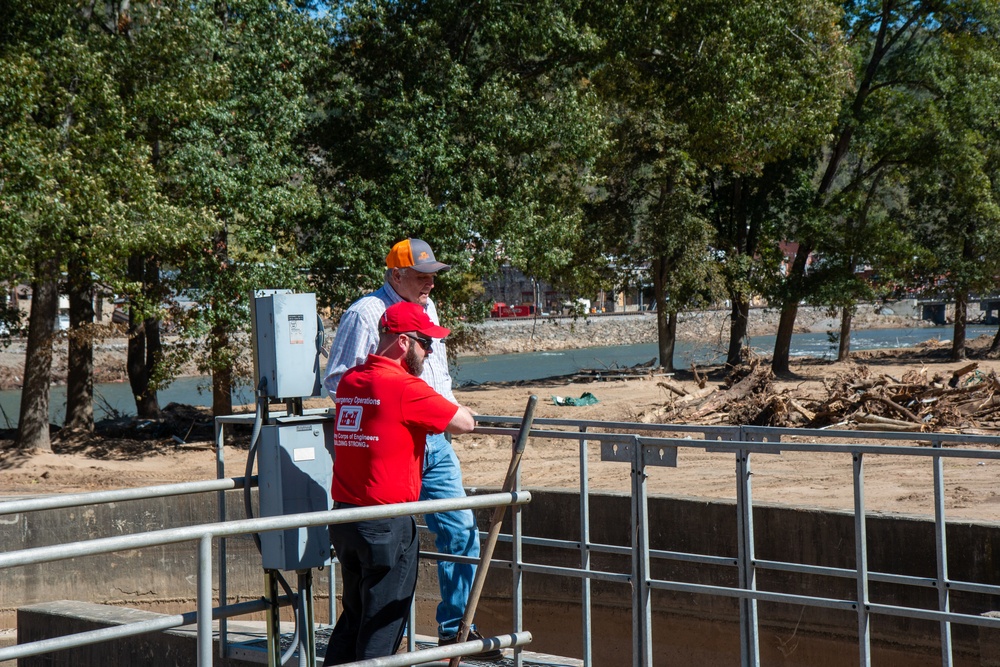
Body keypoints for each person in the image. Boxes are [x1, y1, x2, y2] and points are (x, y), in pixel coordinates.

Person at [323, 238, 502, 660]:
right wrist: (387, 416)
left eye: (433, 277)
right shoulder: (366, 313)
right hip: (391, 445)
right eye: (422, 276)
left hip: (433, 440)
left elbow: (435, 375)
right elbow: (339, 381)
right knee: (384, 552)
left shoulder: (425, 310)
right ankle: (382, 643)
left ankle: (455, 629)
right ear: (395, 275)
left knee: (459, 529)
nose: (430, 285)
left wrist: (438, 407)